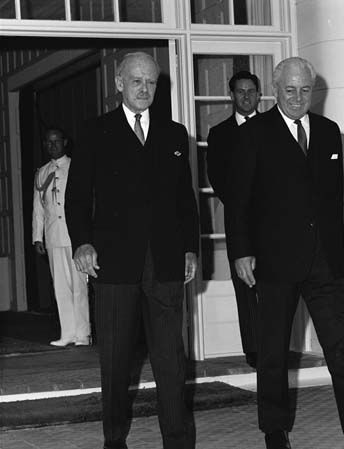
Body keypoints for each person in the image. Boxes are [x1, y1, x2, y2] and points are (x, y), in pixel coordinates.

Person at [225, 57, 344, 449]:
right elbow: (238, 202)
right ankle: (274, 432)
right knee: (272, 351)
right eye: (290, 90)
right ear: (275, 90)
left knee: (340, 345)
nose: (298, 98)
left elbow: (334, 201)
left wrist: (338, 259)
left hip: (323, 262)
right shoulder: (254, 133)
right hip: (272, 262)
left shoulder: (328, 132)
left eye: (305, 90)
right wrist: (241, 252)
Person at [65, 52, 199, 449]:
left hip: (166, 264)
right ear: (119, 83)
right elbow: (76, 198)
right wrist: (82, 242)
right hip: (114, 264)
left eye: (152, 82)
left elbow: (185, 201)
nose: (145, 89)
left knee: (171, 363)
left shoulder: (175, 135)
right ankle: (114, 441)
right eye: (137, 81)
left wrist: (190, 249)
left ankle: (177, 442)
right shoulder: (95, 131)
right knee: (116, 363)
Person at [206, 70, 261, 368]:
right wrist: (245, 207)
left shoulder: (271, 127)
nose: (246, 96)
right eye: (240, 91)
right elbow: (218, 179)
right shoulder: (220, 134)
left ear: (259, 94)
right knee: (245, 287)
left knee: (273, 287)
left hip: (273, 225)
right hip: (239, 222)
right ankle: (253, 350)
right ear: (231, 95)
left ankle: (274, 347)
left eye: (251, 91)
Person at [32, 127, 91, 347]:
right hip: (54, 235)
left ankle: (83, 333)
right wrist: (37, 236)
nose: (52, 145)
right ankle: (67, 333)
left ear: (65, 142)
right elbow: (38, 208)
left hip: (75, 235)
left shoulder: (76, 167)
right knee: (60, 286)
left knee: (79, 285)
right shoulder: (42, 172)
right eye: (48, 142)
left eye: (56, 141)